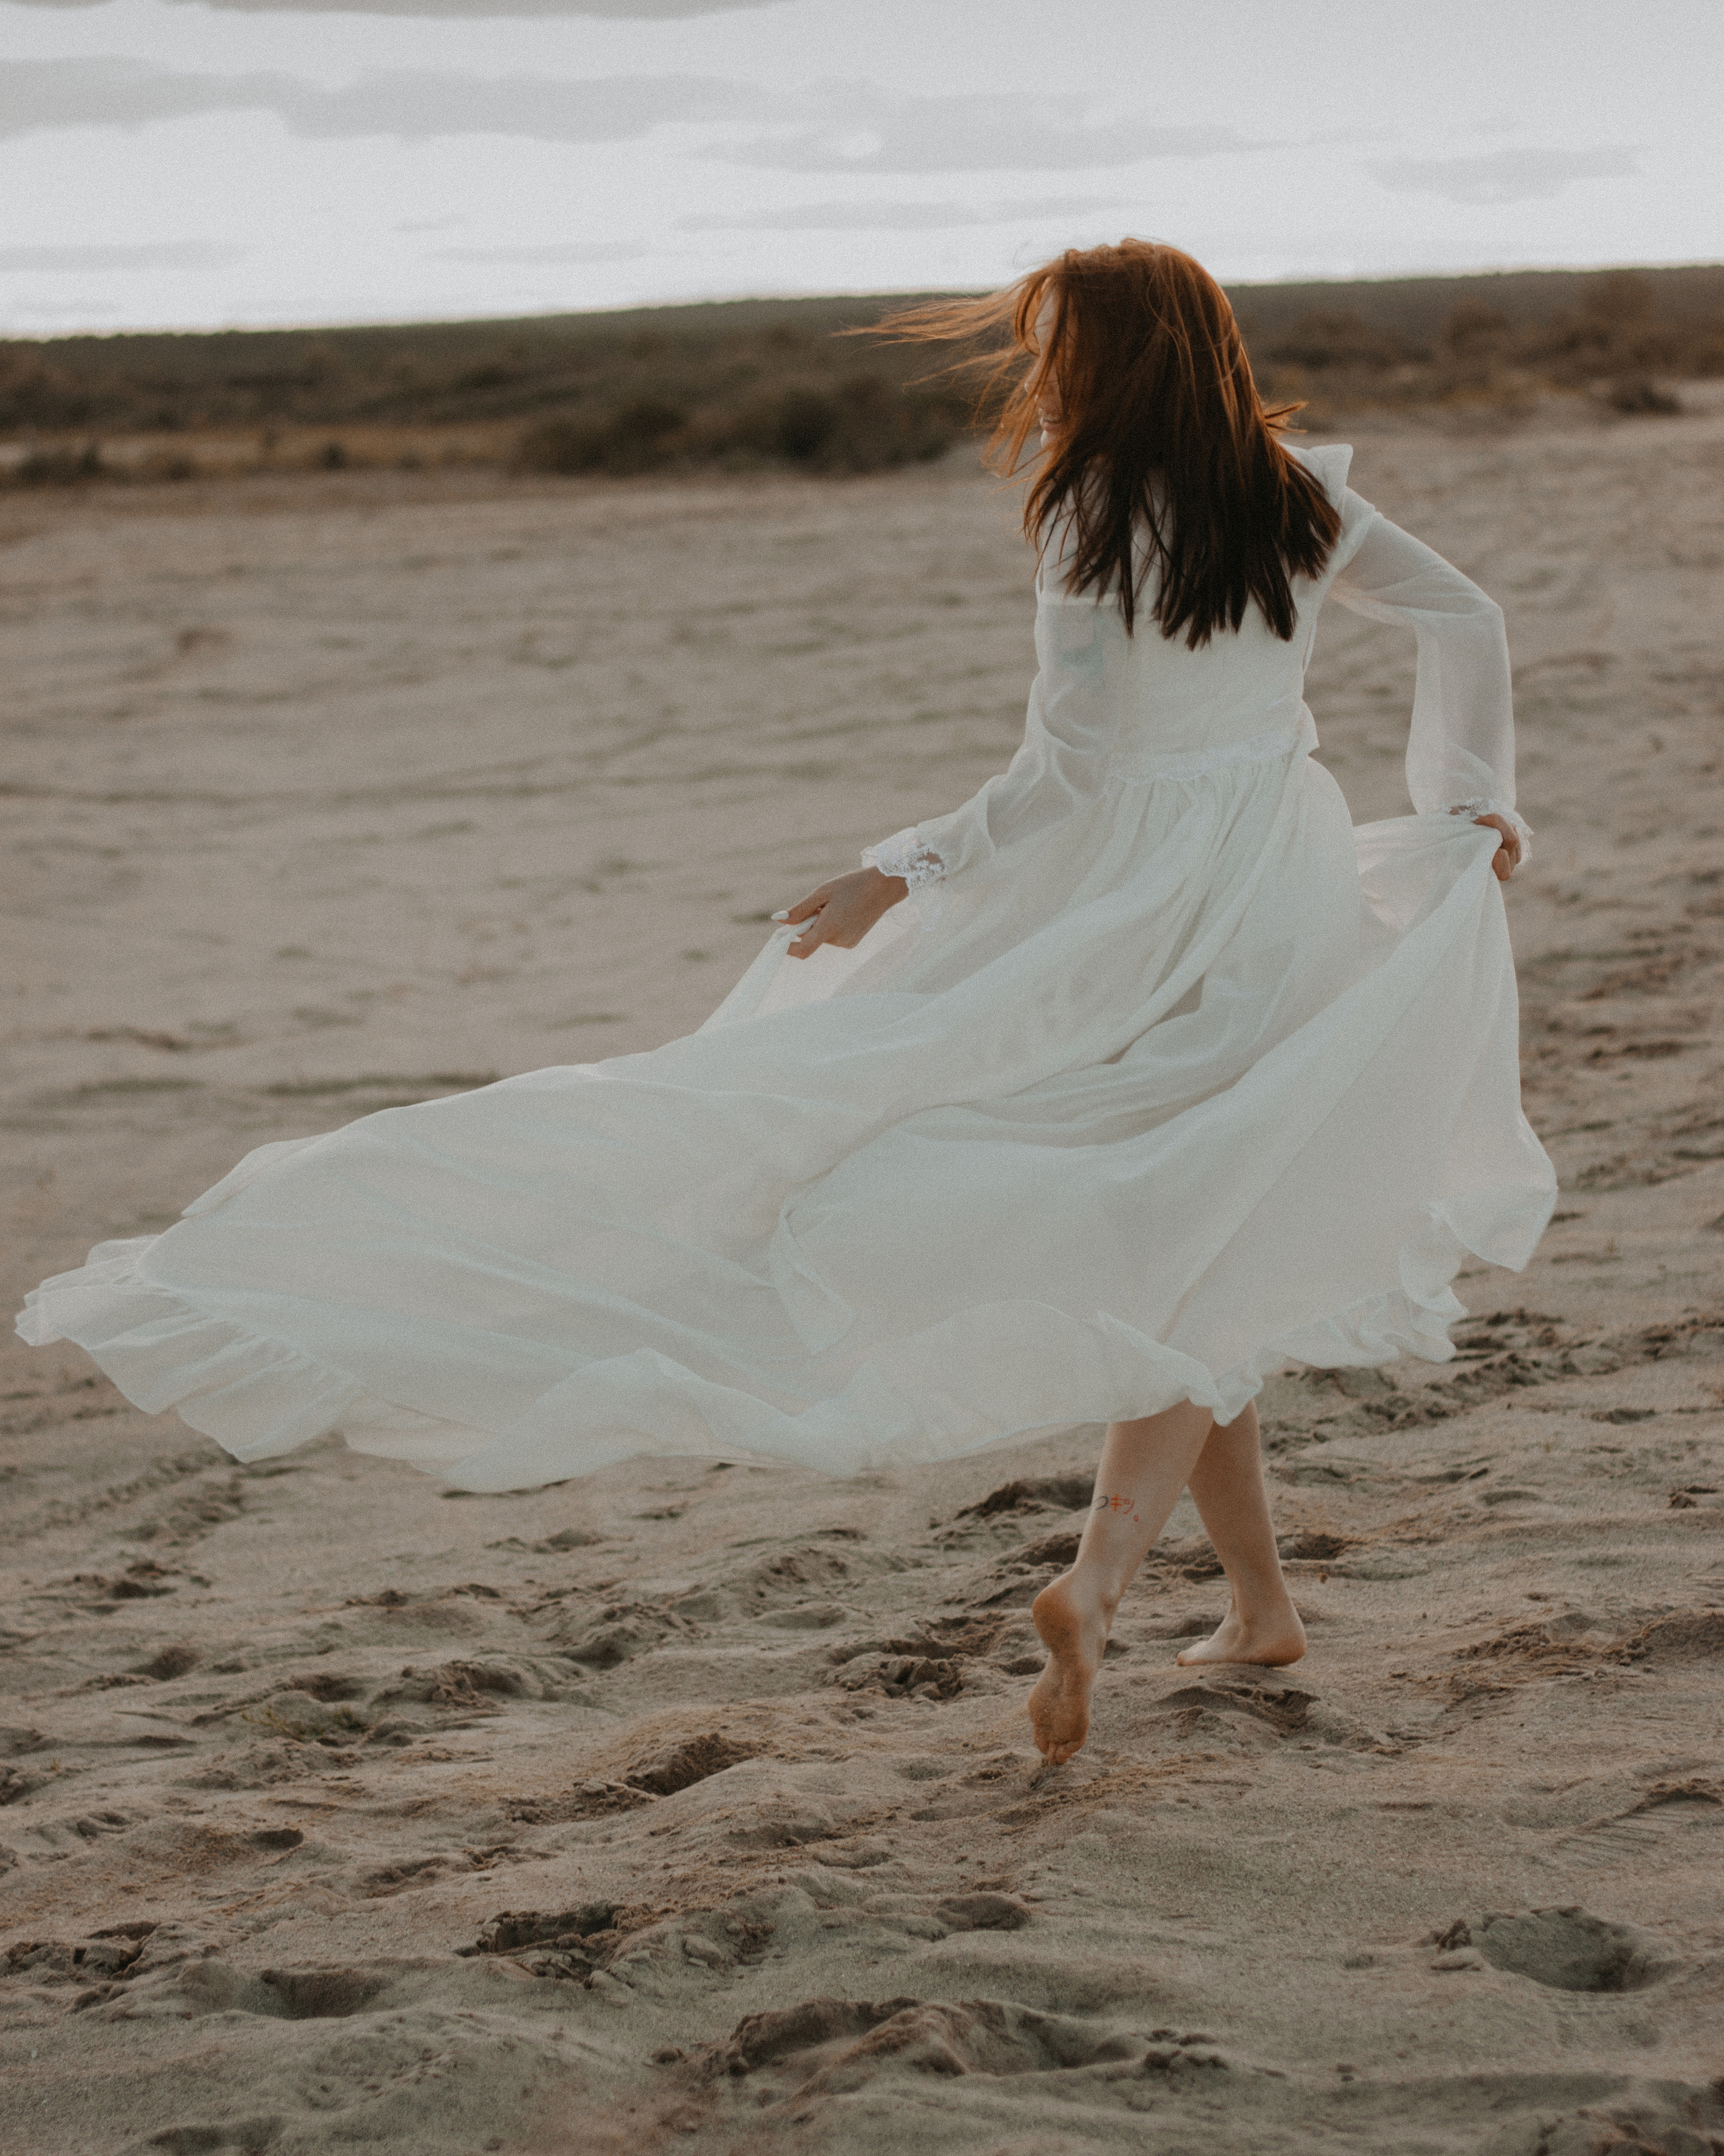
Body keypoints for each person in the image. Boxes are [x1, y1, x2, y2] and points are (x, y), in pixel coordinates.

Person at [19, 240, 1554, 1770]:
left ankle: (1113, 1580)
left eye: (1051, 348)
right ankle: (1249, 1605)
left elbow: (1063, 771)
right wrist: (1467, 799)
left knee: (1184, 1234)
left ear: (1098, 360)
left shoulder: (1092, 514)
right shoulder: (1299, 495)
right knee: (1201, 1224)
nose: (1040, 373)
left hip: (1126, 904)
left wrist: (902, 867)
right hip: (1274, 880)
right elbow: (1464, 616)